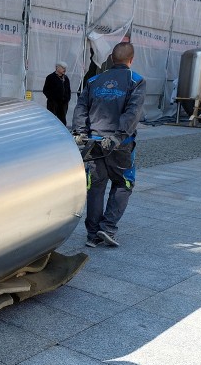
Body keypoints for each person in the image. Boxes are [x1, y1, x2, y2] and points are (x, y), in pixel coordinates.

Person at [72, 41, 144, 248]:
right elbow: (133, 112)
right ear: (131, 60)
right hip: (119, 144)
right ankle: (108, 227)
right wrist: (119, 136)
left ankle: (92, 234)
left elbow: (81, 107)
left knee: (95, 186)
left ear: (112, 59)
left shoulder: (94, 80)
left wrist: (80, 132)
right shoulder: (136, 81)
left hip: (93, 142)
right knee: (123, 183)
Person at [42, 61, 71, 125]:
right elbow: (45, 90)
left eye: (65, 68)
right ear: (57, 67)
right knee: (52, 119)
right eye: (63, 68)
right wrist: (52, 98)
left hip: (63, 103)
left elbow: (68, 90)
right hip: (53, 103)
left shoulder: (66, 78)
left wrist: (67, 99)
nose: (64, 70)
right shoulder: (50, 77)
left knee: (62, 119)